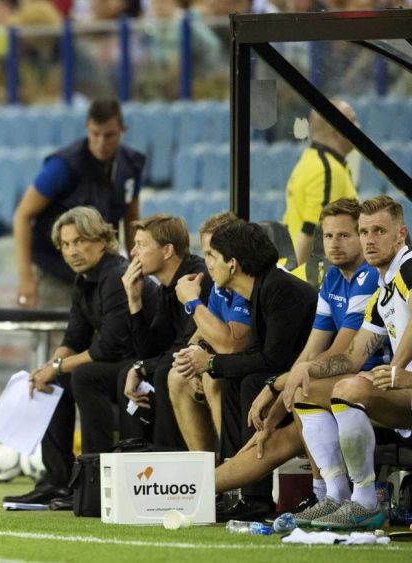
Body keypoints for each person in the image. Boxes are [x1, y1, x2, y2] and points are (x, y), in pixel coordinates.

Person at [229, 195, 406, 529]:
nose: (369, 239)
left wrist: (281, 383)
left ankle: (364, 501)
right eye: (364, 231)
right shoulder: (374, 285)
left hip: (388, 384)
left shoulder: (400, 271)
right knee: (305, 392)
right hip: (385, 384)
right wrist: (295, 378)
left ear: (400, 235)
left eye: (376, 231)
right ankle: (332, 496)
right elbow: (340, 354)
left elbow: (352, 360)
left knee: (342, 388)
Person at [174, 221, 318, 521]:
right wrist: (212, 364)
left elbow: (272, 360)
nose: (207, 263)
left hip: (309, 382)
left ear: (233, 263)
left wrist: (211, 363)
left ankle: (255, 495)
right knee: (233, 378)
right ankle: (242, 489)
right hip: (289, 376)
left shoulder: (279, 287)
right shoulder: (261, 288)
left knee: (251, 379)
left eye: (212, 255)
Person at [2, 206, 141, 510]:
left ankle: (93, 478)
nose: (72, 251)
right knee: (54, 380)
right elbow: (74, 338)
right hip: (115, 364)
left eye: (80, 241)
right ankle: (57, 481)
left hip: (138, 365)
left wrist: (57, 366)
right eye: (65, 245)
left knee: (82, 376)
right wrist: (47, 369)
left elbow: (110, 347)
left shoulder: (116, 275)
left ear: (103, 240)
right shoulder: (84, 280)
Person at [13, 99, 145, 310]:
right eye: (95, 134)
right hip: (54, 273)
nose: (101, 142)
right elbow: (22, 215)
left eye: (109, 135)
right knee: (57, 339)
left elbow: (131, 220)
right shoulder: (63, 167)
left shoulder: (131, 166)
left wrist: (135, 268)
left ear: (123, 130)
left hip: (101, 275)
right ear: (87, 128)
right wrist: (25, 275)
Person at [116, 214, 212, 449]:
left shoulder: (197, 279)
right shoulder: (165, 289)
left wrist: (143, 367)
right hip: (180, 360)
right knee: (127, 373)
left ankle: (167, 463)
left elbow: (186, 345)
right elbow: (148, 350)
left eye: (140, 245)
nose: (133, 254)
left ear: (167, 250)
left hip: (209, 360)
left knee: (162, 371)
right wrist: (134, 299)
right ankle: (135, 455)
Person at [168, 212, 252, 453]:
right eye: (206, 254)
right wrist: (191, 354)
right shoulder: (219, 285)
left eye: (213, 255)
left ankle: (231, 466)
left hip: (261, 365)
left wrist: (192, 302)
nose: (209, 263)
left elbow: (230, 345)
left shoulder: (244, 283)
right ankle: (206, 470)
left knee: (212, 376)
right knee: (177, 375)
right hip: (232, 360)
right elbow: (203, 332)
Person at [282, 100, 359, 266]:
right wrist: (294, 282)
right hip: (315, 279)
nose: (358, 127)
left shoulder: (309, 160)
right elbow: (312, 231)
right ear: (337, 132)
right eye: (353, 121)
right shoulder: (327, 170)